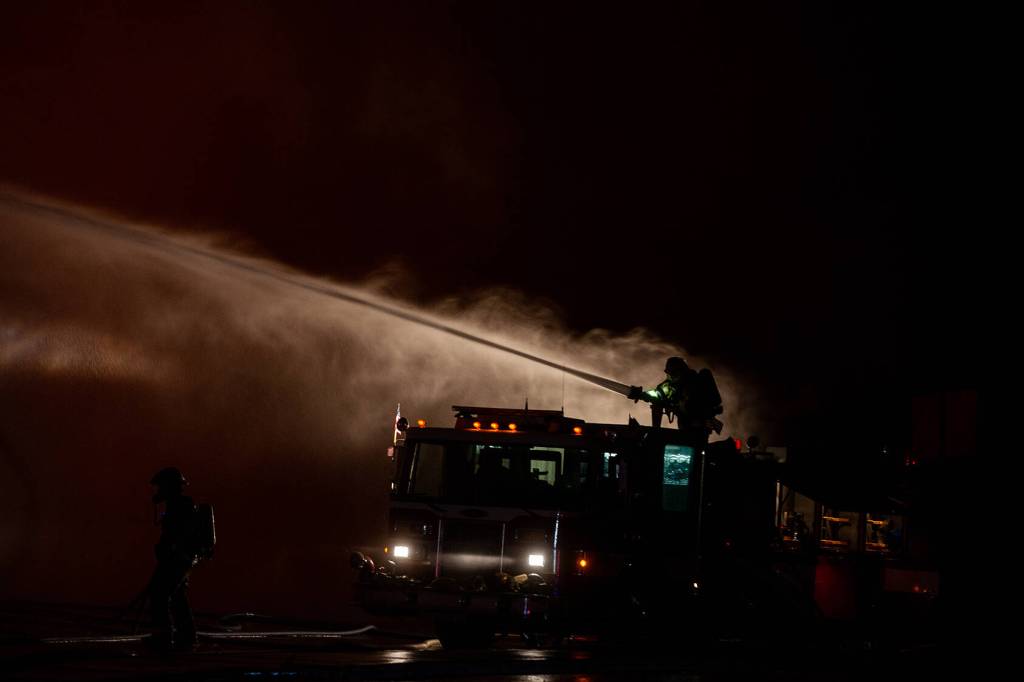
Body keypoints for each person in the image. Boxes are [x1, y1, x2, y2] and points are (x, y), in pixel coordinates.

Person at [147, 467, 199, 651]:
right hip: (178, 558)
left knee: (159, 595)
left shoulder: (181, 506)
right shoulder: (176, 505)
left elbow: (179, 534)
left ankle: (163, 637)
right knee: (177, 596)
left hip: (178, 559)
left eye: (161, 486)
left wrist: (171, 551)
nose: (158, 491)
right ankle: (186, 636)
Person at [628, 356, 724, 435]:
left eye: (671, 373)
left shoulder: (694, 383)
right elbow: (658, 393)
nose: (669, 376)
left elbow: (692, 406)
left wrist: (676, 407)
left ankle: (656, 434)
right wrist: (642, 394)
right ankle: (655, 434)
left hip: (698, 426)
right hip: (688, 427)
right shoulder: (671, 385)